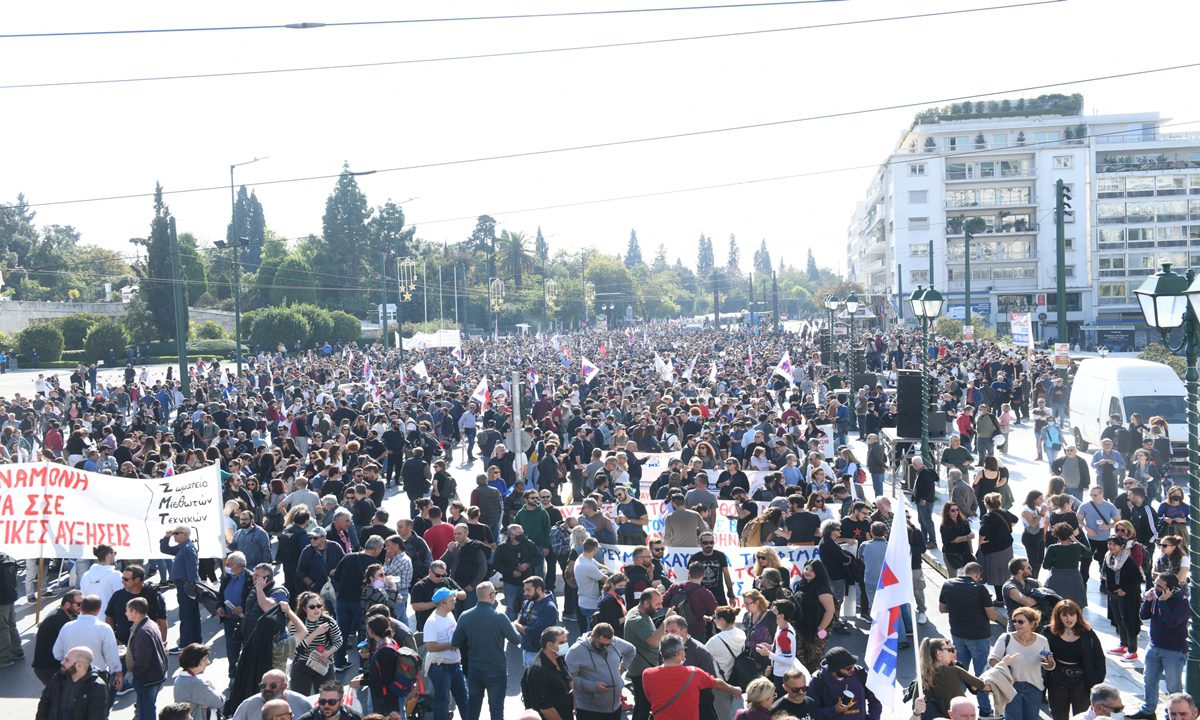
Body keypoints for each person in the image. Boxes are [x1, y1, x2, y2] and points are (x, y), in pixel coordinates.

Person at [453, 582, 523, 720]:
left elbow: (455, 642)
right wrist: (516, 625)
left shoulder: (465, 616)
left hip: (474, 669)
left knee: (473, 709)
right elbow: (516, 639)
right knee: (496, 710)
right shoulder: (500, 617)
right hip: (496, 670)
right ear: (491, 595)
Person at [939, 563, 999, 718]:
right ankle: (985, 710)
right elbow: (992, 616)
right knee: (981, 675)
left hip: (958, 635)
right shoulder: (980, 589)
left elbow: (942, 608)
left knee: (958, 671)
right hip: (979, 637)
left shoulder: (948, 584)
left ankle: (955, 708)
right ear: (978, 574)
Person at [643, 634, 742, 720]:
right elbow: (717, 684)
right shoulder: (694, 673)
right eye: (684, 649)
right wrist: (733, 689)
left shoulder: (647, 674)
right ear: (680, 653)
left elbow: (649, 697)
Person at [986, 607, 1054, 720]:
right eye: (1014, 621)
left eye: (1021, 621)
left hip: (1034, 687)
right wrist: (1004, 665)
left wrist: (1049, 662)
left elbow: (1049, 666)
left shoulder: (1042, 640)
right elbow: (993, 659)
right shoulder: (1006, 638)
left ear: (1032, 623)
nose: (1017, 624)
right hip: (1011, 686)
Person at [1044, 600, 1105, 720]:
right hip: (1057, 678)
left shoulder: (1088, 633)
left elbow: (1099, 658)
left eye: (1072, 614)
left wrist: (1096, 679)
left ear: (1078, 615)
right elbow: (1041, 653)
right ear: (1058, 616)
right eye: (1065, 615)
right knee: (1058, 714)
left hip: (1081, 680)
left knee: (1082, 716)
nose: (1069, 618)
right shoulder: (1049, 632)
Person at [52, 594, 121, 695]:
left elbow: (57, 654)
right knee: (98, 708)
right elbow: (112, 657)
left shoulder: (67, 627)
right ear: (99, 609)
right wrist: (118, 674)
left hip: (71, 676)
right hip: (96, 677)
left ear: (81, 608)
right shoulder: (104, 629)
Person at [566, 622, 636, 720]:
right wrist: (593, 686)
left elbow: (631, 650)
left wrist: (622, 668)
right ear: (593, 636)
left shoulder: (613, 642)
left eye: (608, 644)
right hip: (590, 710)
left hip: (615, 707)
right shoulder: (575, 651)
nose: (606, 647)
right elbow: (569, 679)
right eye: (602, 645)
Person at [280, 591, 342, 696]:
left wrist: (329, 652)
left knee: (327, 698)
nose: (317, 609)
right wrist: (316, 633)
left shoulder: (329, 621)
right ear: (305, 609)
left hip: (324, 663)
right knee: (300, 700)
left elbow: (338, 640)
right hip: (302, 664)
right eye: (312, 607)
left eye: (319, 606)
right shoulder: (298, 623)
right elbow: (297, 647)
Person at [353, 615, 416, 716]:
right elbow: (380, 671)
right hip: (387, 697)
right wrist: (364, 676)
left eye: (368, 627)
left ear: (372, 631)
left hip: (385, 699)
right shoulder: (388, 642)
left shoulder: (385, 651)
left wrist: (361, 682)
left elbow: (385, 680)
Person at [423, 587, 469, 720]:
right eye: (451, 600)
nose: (455, 601)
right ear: (442, 603)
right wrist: (452, 645)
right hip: (440, 667)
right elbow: (430, 646)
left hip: (454, 664)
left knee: (464, 699)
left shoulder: (449, 614)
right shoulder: (432, 622)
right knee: (442, 703)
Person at [918, 638, 988, 720]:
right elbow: (980, 684)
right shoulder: (955, 670)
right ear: (939, 653)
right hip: (959, 715)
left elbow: (916, 705)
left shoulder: (922, 678)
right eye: (948, 650)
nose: (951, 652)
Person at [34, 646, 109, 720]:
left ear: (79, 665)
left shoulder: (97, 687)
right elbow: (45, 701)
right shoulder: (59, 677)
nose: (62, 662)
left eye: (67, 660)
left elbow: (96, 716)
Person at [626, 588, 667, 720]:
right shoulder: (637, 619)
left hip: (643, 667)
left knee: (642, 705)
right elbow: (653, 641)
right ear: (645, 603)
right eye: (657, 604)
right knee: (644, 705)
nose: (660, 607)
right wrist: (666, 622)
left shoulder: (639, 613)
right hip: (641, 671)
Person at [807, 646, 880, 720]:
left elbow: (875, 700)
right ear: (834, 669)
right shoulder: (817, 681)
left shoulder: (861, 674)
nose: (852, 669)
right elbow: (812, 713)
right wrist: (834, 710)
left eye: (853, 665)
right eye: (848, 668)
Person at [160, 526, 202, 652]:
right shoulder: (183, 547)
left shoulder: (188, 549)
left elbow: (192, 570)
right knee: (192, 615)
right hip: (184, 585)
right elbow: (165, 549)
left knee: (186, 616)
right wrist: (166, 537)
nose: (174, 535)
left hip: (186, 586)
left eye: (176, 533)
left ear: (184, 534)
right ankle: (196, 642)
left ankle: (185, 645)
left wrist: (189, 587)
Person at [1102, 534, 1143, 660]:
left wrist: (1124, 589)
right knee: (1119, 620)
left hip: (1128, 596)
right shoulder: (1108, 558)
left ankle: (1132, 650)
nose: (1111, 546)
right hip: (1114, 594)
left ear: (1122, 546)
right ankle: (1123, 645)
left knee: (1129, 621)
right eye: (1110, 543)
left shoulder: (1127, 560)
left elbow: (1138, 579)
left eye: (1114, 544)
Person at [127, 597, 169, 720]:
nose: (125, 613)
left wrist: (136, 676)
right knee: (143, 708)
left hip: (147, 678)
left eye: (127, 610)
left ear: (135, 612)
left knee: (147, 710)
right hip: (155, 675)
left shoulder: (143, 632)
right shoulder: (150, 624)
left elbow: (143, 660)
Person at [520, 626, 574, 720]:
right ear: (549, 645)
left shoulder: (558, 658)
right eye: (561, 642)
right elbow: (546, 709)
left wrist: (574, 706)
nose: (565, 645)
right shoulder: (539, 671)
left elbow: (568, 678)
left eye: (566, 641)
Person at [705, 606, 749, 720]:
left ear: (722, 620)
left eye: (715, 617)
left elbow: (703, 658)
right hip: (739, 678)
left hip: (722, 684)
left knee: (723, 716)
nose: (713, 620)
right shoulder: (741, 633)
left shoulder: (715, 641)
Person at [792, 559, 836, 671]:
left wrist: (821, 628)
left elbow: (830, 611)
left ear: (819, 572)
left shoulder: (822, 589)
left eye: (812, 570)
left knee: (814, 660)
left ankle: (815, 683)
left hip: (816, 630)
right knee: (800, 659)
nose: (808, 572)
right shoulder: (802, 584)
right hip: (801, 627)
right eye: (806, 568)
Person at [34, 590, 82, 684]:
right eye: (79, 604)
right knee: (61, 696)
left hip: (44, 667)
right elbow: (69, 646)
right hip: (49, 668)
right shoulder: (61, 620)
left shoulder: (59, 614)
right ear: (67, 604)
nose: (81, 607)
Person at [663, 562, 718, 642]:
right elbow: (715, 612)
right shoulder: (705, 593)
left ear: (689, 573)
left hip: (674, 629)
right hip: (697, 631)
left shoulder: (675, 587)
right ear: (703, 575)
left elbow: (663, 602)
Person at [228, 669, 311, 720]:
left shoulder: (302, 703)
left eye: (273, 686)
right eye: (263, 685)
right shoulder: (248, 705)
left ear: (284, 686)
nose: (267, 689)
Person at [1043, 522, 1091, 608]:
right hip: (1074, 579)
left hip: (1056, 579)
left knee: (1055, 606)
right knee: (1075, 607)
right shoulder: (1077, 547)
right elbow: (1089, 553)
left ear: (1056, 535)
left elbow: (1045, 566)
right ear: (1070, 535)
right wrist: (1076, 540)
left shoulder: (1052, 548)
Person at [173, 643, 226, 720]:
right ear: (194, 661)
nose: (208, 662)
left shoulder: (180, 678)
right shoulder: (196, 684)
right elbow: (219, 701)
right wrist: (212, 689)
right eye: (204, 659)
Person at [939, 503, 975, 578]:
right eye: (952, 510)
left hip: (964, 552)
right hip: (951, 554)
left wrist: (964, 538)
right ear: (947, 512)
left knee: (969, 575)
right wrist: (967, 537)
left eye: (957, 510)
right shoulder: (944, 526)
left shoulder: (964, 522)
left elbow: (972, 535)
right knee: (953, 577)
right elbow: (955, 540)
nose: (955, 512)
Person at [296, 681, 364, 720]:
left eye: (332, 702)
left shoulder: (356, 718)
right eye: (322, 701)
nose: (326, 705)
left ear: (341, 701)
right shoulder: (307, 719)